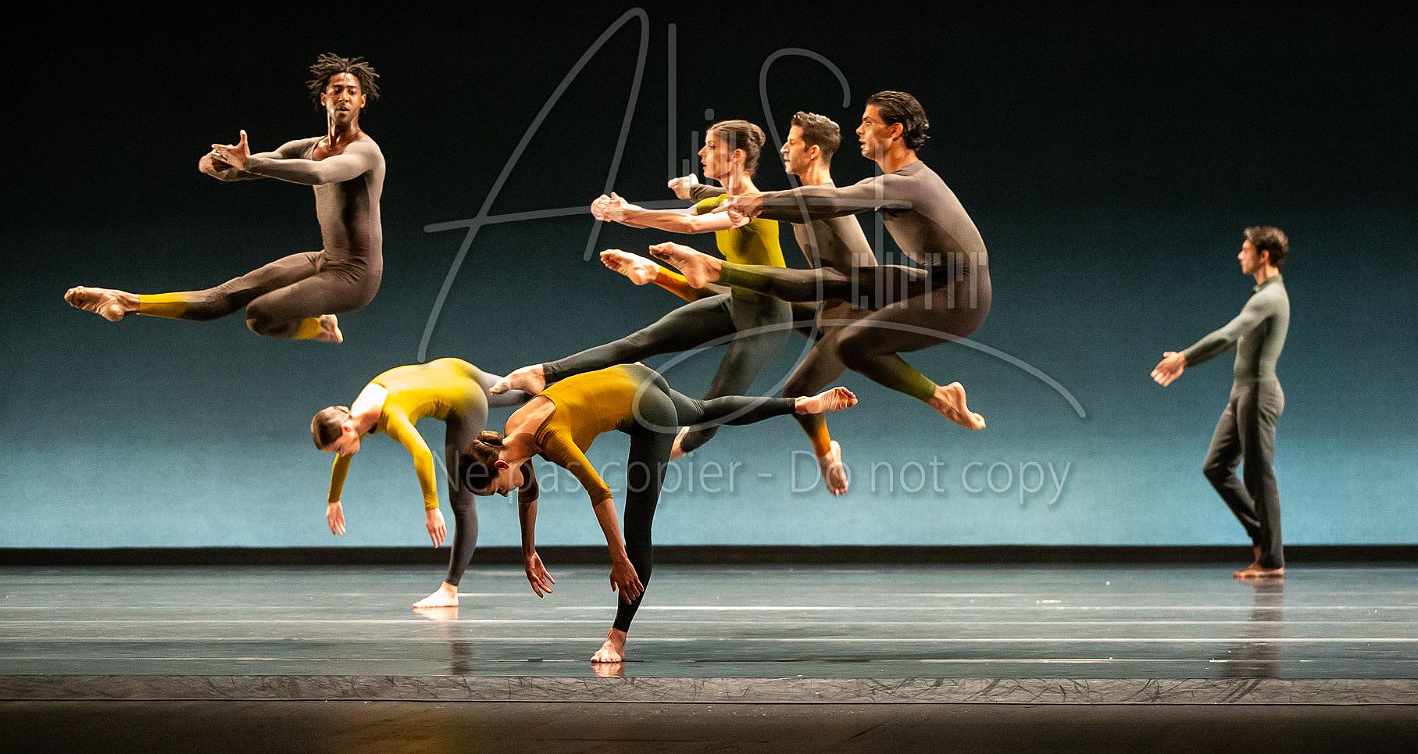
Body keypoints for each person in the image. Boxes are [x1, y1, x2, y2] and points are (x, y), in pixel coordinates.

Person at [458, 363, 858, 663]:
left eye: (496, 490)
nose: (504, 493)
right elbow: (528, 491)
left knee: (635, 533)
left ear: (500, 466)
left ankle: (617, 638)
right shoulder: (514, 428)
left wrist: (619, 558)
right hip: (636, 376)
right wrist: (528, 551)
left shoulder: (550, 437)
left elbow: (600, 491)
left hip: (648, 413)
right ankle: (799, 404)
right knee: (703, 410)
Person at [650, 91, 990, 434]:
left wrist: (761, 203)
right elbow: (821, 200)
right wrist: (699, 191)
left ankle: (941, 397)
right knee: (836, 280)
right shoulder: (901, 181)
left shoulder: (909, 183)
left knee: (851, 345)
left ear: (895, 130)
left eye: (868, 122)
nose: (859, 130)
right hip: (937, 278)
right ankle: (714, 269)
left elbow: (834, 200)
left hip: (962, 295)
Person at [492, 120, 802, 468]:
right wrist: (620, 214)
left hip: (769, 319)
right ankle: (544, 373)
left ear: (737, 156)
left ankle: (678, 447)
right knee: (641, 342)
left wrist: (627, 213)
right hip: (737, 304)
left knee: (713, 406)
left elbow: (690, 225)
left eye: (712, 146)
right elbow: (680, 214)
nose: (702, 153)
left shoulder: (752, 207)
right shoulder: (720, 199)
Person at [64, 53, 385, 342]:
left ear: (362, 101)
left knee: (260, 314)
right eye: (337, 90)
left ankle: (321, 329)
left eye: (351, 92)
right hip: (326, 258)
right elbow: (241, 169)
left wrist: (248, 163)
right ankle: (126, 301)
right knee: (226, 294)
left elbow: (320, 173)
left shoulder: (365, 151)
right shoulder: (306, 147)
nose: (344, 97)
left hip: (356, 276)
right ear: (324, 98)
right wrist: (216, 165)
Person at [310, 357, 528, 608]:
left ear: (346, 430)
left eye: (338, 449)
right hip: (456, 369)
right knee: (528, 392)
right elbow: (346, 454)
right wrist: (333, 499)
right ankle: (563, 380)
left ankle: (450, 590)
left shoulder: (390, 415)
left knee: (462, 502)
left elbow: (423, 454)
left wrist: (431, 508)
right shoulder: (357, 410)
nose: (341, 454)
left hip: (465, 403)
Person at [1151, 227, 1292, 580]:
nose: (1240, 255)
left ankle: (1271, 560)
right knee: (1216, 466)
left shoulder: (1271, 296)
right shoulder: (1261, 294)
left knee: (1259, 475)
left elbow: (1229, 335)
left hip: (1258, 393)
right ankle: (1262, 537)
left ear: (1263, 255)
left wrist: (1184, 358)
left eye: (1246, 249)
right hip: (1242, 393)